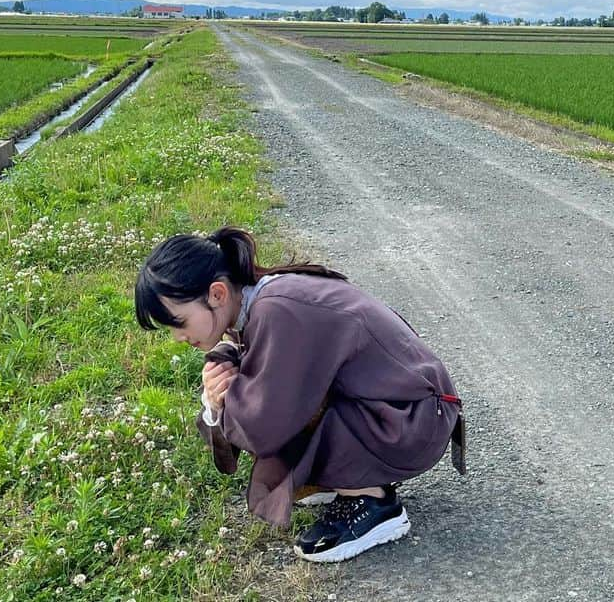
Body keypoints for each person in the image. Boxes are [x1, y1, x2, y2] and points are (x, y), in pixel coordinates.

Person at [133, 226, 465, 564]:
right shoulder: (260, 301)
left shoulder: (277, 310)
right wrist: (221, 392)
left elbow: (264, 423)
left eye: (179, 322)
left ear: (217, 294)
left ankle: (373, 503)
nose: (177, 337)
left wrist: (220, 402)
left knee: (272, 402)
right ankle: (339, 480)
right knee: (271, 390)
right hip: (409, 409)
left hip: (414, 421)